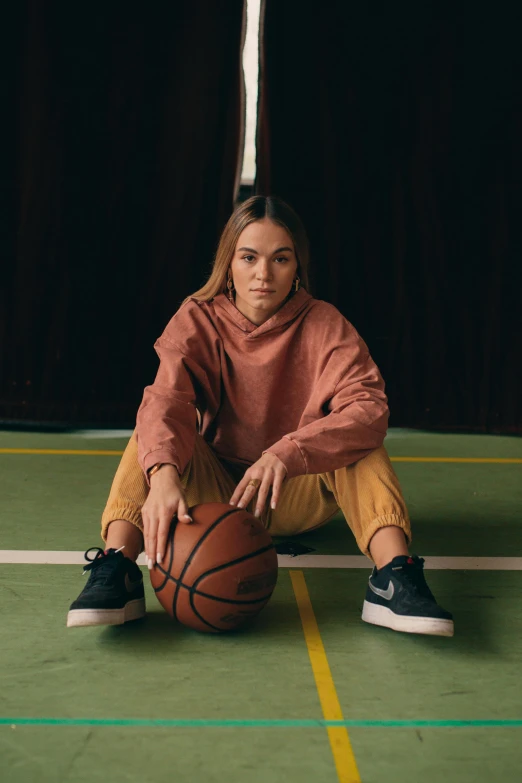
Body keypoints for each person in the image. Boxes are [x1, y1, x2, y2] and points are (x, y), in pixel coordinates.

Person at [67, 196, 453, 637]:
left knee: (360, 441)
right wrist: (164, 475)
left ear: (298, 267)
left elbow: (369, 408)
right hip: (216, 495)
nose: (263, 274)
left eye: (280, 259)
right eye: (249, 257)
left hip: (292, 492)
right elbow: (166, 402)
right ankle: (117, 569)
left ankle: (394, 579)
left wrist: (288, 453)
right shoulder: (198, 316)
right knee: (151, 432)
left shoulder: (324, 324)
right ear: (228, 262)